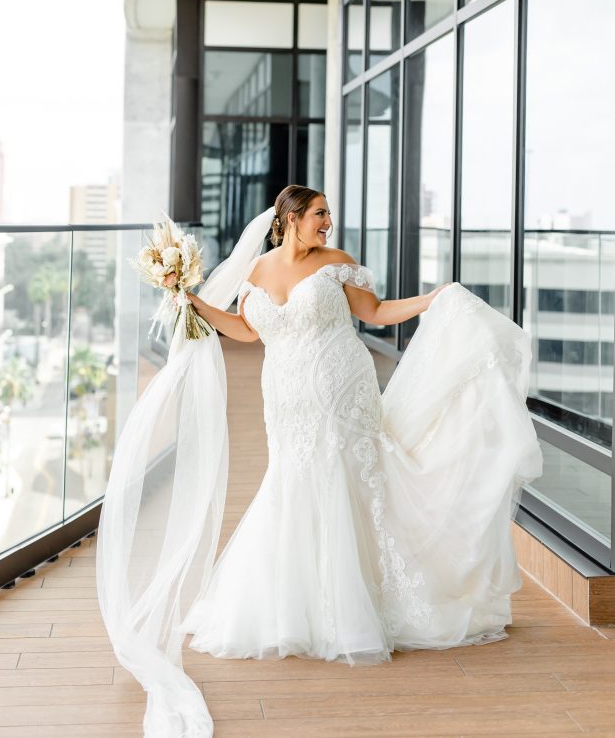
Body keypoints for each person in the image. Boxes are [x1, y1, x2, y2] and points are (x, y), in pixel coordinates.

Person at [96, 184, 542, 737]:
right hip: (284, 397)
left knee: (349, 483)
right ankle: (298, 605)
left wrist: (430, 301)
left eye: (328, 213)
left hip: (342, 390)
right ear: (288, 219)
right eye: (319, 214)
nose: (328, 222)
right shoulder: (255, 271)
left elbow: (375, 314)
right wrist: (198, 305)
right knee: (293, 482)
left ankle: (360, 604)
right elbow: (248, 330)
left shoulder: (338, 265)